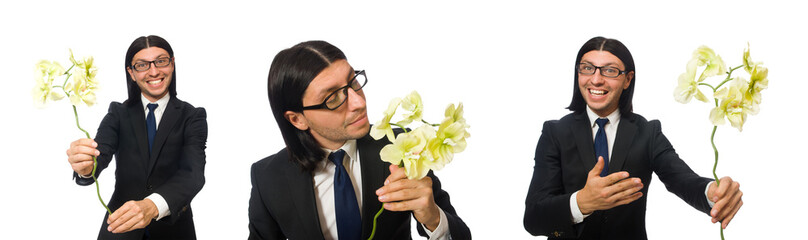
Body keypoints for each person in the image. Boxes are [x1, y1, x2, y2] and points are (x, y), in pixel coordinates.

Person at [523, 36, 743, 239]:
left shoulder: (647, 132)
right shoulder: (555, 133)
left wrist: (712, 192)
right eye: (587, 68)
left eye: (609, 70)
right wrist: (581, 202)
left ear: (627, 79)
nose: (596, 79)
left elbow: (683, 180)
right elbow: (533, 217)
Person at [248, 40, 471, 240]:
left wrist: (432, 217)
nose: (358, 103)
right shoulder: (268, 178)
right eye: (332, 98)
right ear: (297, 119)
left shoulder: (403, 146)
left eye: (353, 82)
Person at [65, 35, 207, 239]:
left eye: (161, 61)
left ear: (172, 64)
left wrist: (152, 205)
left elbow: (192, 175)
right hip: (120, 228)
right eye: (142, 65)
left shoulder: (193, 116)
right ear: (131, 73)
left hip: (174, 231)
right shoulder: (118, 113)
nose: (154, 71)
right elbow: (101, 152)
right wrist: (87, 168)